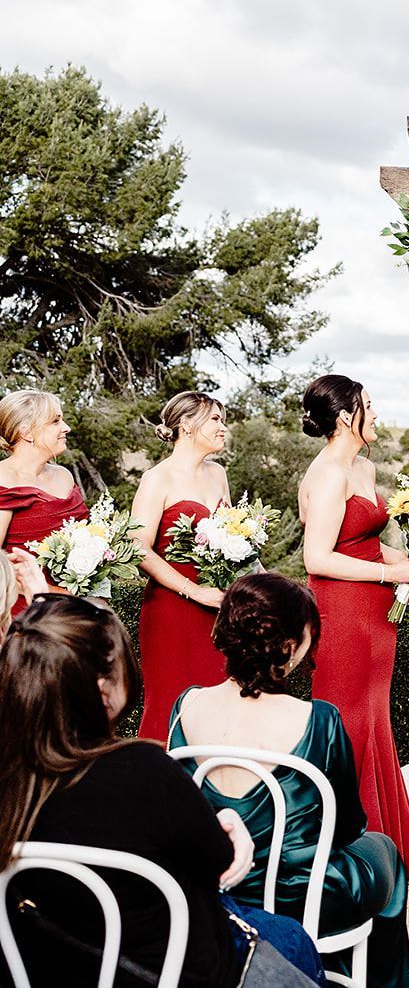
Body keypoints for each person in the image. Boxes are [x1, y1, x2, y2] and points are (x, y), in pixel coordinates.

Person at [0, 594, 325, 987]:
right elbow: (219, 865)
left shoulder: (10, 778)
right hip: (167, 970)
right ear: (103, 689)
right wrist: (228, 825)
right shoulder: (142, 770)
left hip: (46, 967)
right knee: (292, 939)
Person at [169, 573, 409, 988]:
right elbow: (344, 826)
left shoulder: (186, 705)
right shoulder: (318, 719)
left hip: (213, 884)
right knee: (384, 850)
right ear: (290, 644)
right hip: (302, 896)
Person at [298, 374, 409, 879]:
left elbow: (368, 545)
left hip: (376, 615)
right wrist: (388, 573)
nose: (375, 415)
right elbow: (318, 558)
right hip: (343, 612)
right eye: (368, 407)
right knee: (346, 719)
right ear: (344, 415)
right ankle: (340, 849)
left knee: (374, 717)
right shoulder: (328, 474)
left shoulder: (364, 466)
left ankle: (384, 841)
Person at [132, 391, 234, 741]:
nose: (224, 427)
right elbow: (138, 548)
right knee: (170, 705)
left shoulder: (218, 474)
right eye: (216, 419)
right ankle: (158, 792)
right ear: (188, 425)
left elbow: (235, 540)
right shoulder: (157, 479)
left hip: (219, 607)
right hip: (172, 610)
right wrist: (194, 591)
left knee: (220, 704)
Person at [0, 389, 89, 615]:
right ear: (27, 431)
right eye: (55, 421)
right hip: (25, 612)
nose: (66, 427)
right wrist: (54, 593)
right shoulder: (4, 480)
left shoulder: (64, 475)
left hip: (76, 607)